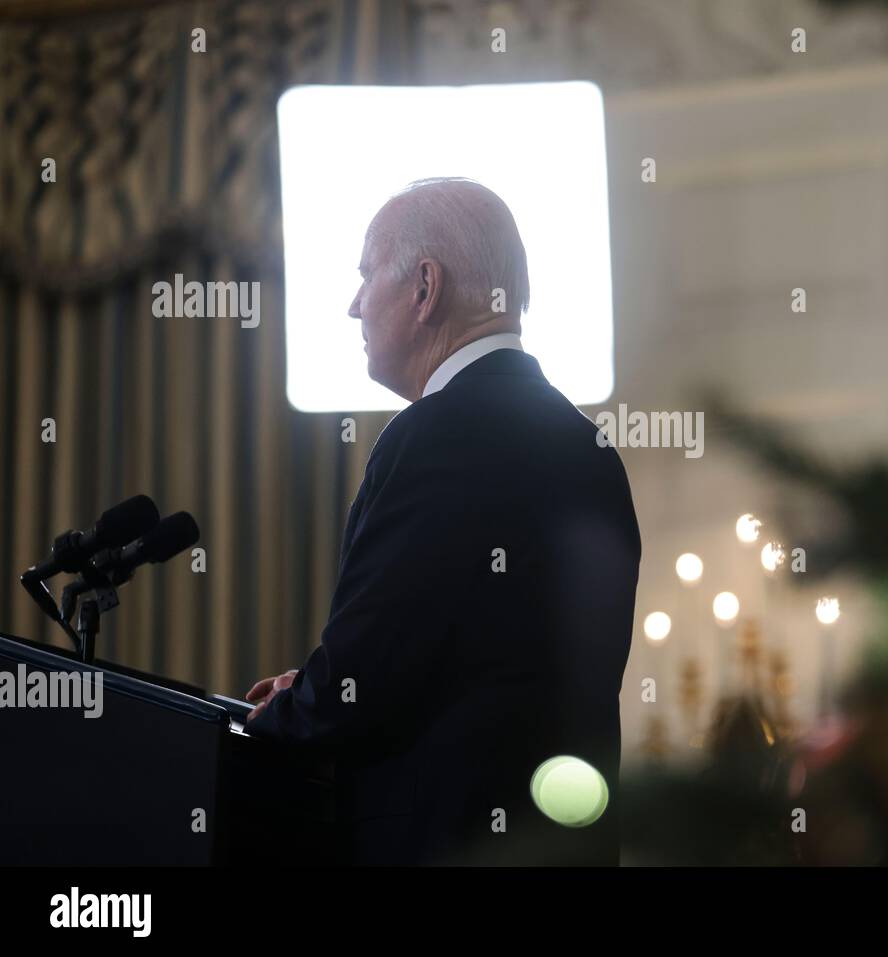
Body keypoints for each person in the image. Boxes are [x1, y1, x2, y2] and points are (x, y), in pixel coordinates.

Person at [244, 177, 641, 865]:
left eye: (366, 275)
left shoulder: (431, 435)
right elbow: (470, 659)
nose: (352, 305)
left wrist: (275, 714)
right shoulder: (590, 447)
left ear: (425, 287)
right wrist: (317, 682)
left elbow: (364, 678)